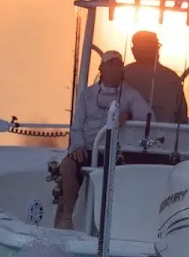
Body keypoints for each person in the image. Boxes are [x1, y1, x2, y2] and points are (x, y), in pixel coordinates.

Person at [54, 50, 151, 229]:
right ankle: (67, 217)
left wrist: (128, 116)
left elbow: (148, 118)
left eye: (117, 64)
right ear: (101, 68)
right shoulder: (87, 94)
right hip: (87, 148)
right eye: (110, 64)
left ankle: (112, 225)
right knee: (67, 165)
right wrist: (77, 146)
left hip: (113, 151)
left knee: (120, 174)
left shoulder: (131, 95)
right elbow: (76, 126)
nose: (114, 68)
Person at [122, 30, 188, 124]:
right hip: (166, 133)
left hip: (129, 133)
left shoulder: (122, 74)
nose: (133, 50)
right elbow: (182, 119)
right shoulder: (173, 78)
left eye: (136, 46)